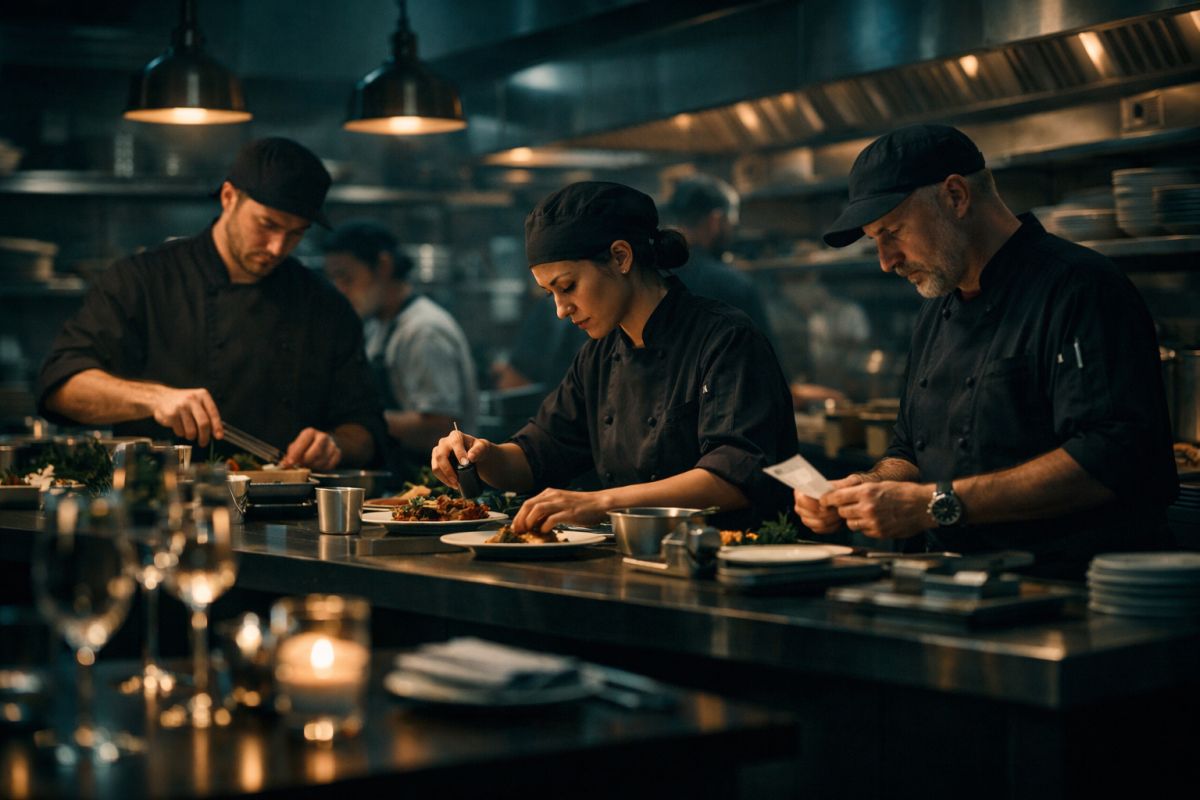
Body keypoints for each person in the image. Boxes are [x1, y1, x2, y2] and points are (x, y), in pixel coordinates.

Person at [795, 123, 1177, 578]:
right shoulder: (936, 312)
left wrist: (937, 504)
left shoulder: (1081, 288)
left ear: (956, 196)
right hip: (951, 583)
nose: (885, 260)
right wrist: (871, 485)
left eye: (892, 231)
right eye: (875, 239)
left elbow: (1114, 453)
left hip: (1060, 592)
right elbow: (910, 450)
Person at [432, 181, 798, 532]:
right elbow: (538, 454)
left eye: (568, 286)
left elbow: (732, 476)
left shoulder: (726, 339)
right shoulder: (598, 357)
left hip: (730, 565)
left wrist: (599, 503)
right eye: (550, 294)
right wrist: (479, 455)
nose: (561, 310)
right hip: (638, 561)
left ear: (620, 257)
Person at [37, 137, 386, 470]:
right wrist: (154, 398)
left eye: (296, 232)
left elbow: (366, 429)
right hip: (160, 507)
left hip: (290, 518)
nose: (278, 247)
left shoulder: (324, 305)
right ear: (229, 197)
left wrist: (335, 445)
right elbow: (61, 387)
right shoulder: (143, 280)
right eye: (267, 225)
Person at [322, 220, 478, 467]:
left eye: (347, 277)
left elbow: (440, 426)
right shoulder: (377, 326)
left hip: (435, 479)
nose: (340, 290)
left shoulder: (424, 329)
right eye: (334, 280)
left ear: (383, 266)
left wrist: (357, 425)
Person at [662, 175, 773, 338]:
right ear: (715, 220)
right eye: (730, 223)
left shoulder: (654, 275)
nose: (731, 231)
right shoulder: (733, 285)